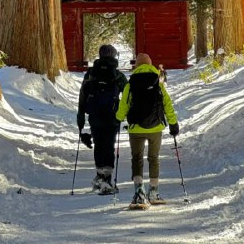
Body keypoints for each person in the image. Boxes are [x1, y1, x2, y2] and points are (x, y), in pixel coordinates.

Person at [116, 52, 179, 207]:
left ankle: (139, 193)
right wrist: (173, 124)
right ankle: (154, 191)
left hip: (136, 128)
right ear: (150, 65)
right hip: (155, 127)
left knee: (136, 158)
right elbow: (167, 105)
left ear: (136, 66)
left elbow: (123, 106)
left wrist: (117, 119)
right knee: (154, 158)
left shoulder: (130, 85)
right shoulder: (158, 83)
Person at [77, 43, 127, 194]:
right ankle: (108, 179)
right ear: (113, 55)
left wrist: (80, 117)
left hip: (95, 115)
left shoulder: (91, 73)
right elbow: (127, 94)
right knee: (109, 145)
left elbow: (83, 95)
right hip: (113, 116)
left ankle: (99, 176)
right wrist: (125, 114)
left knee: (98, 145)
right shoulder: (118, 75)